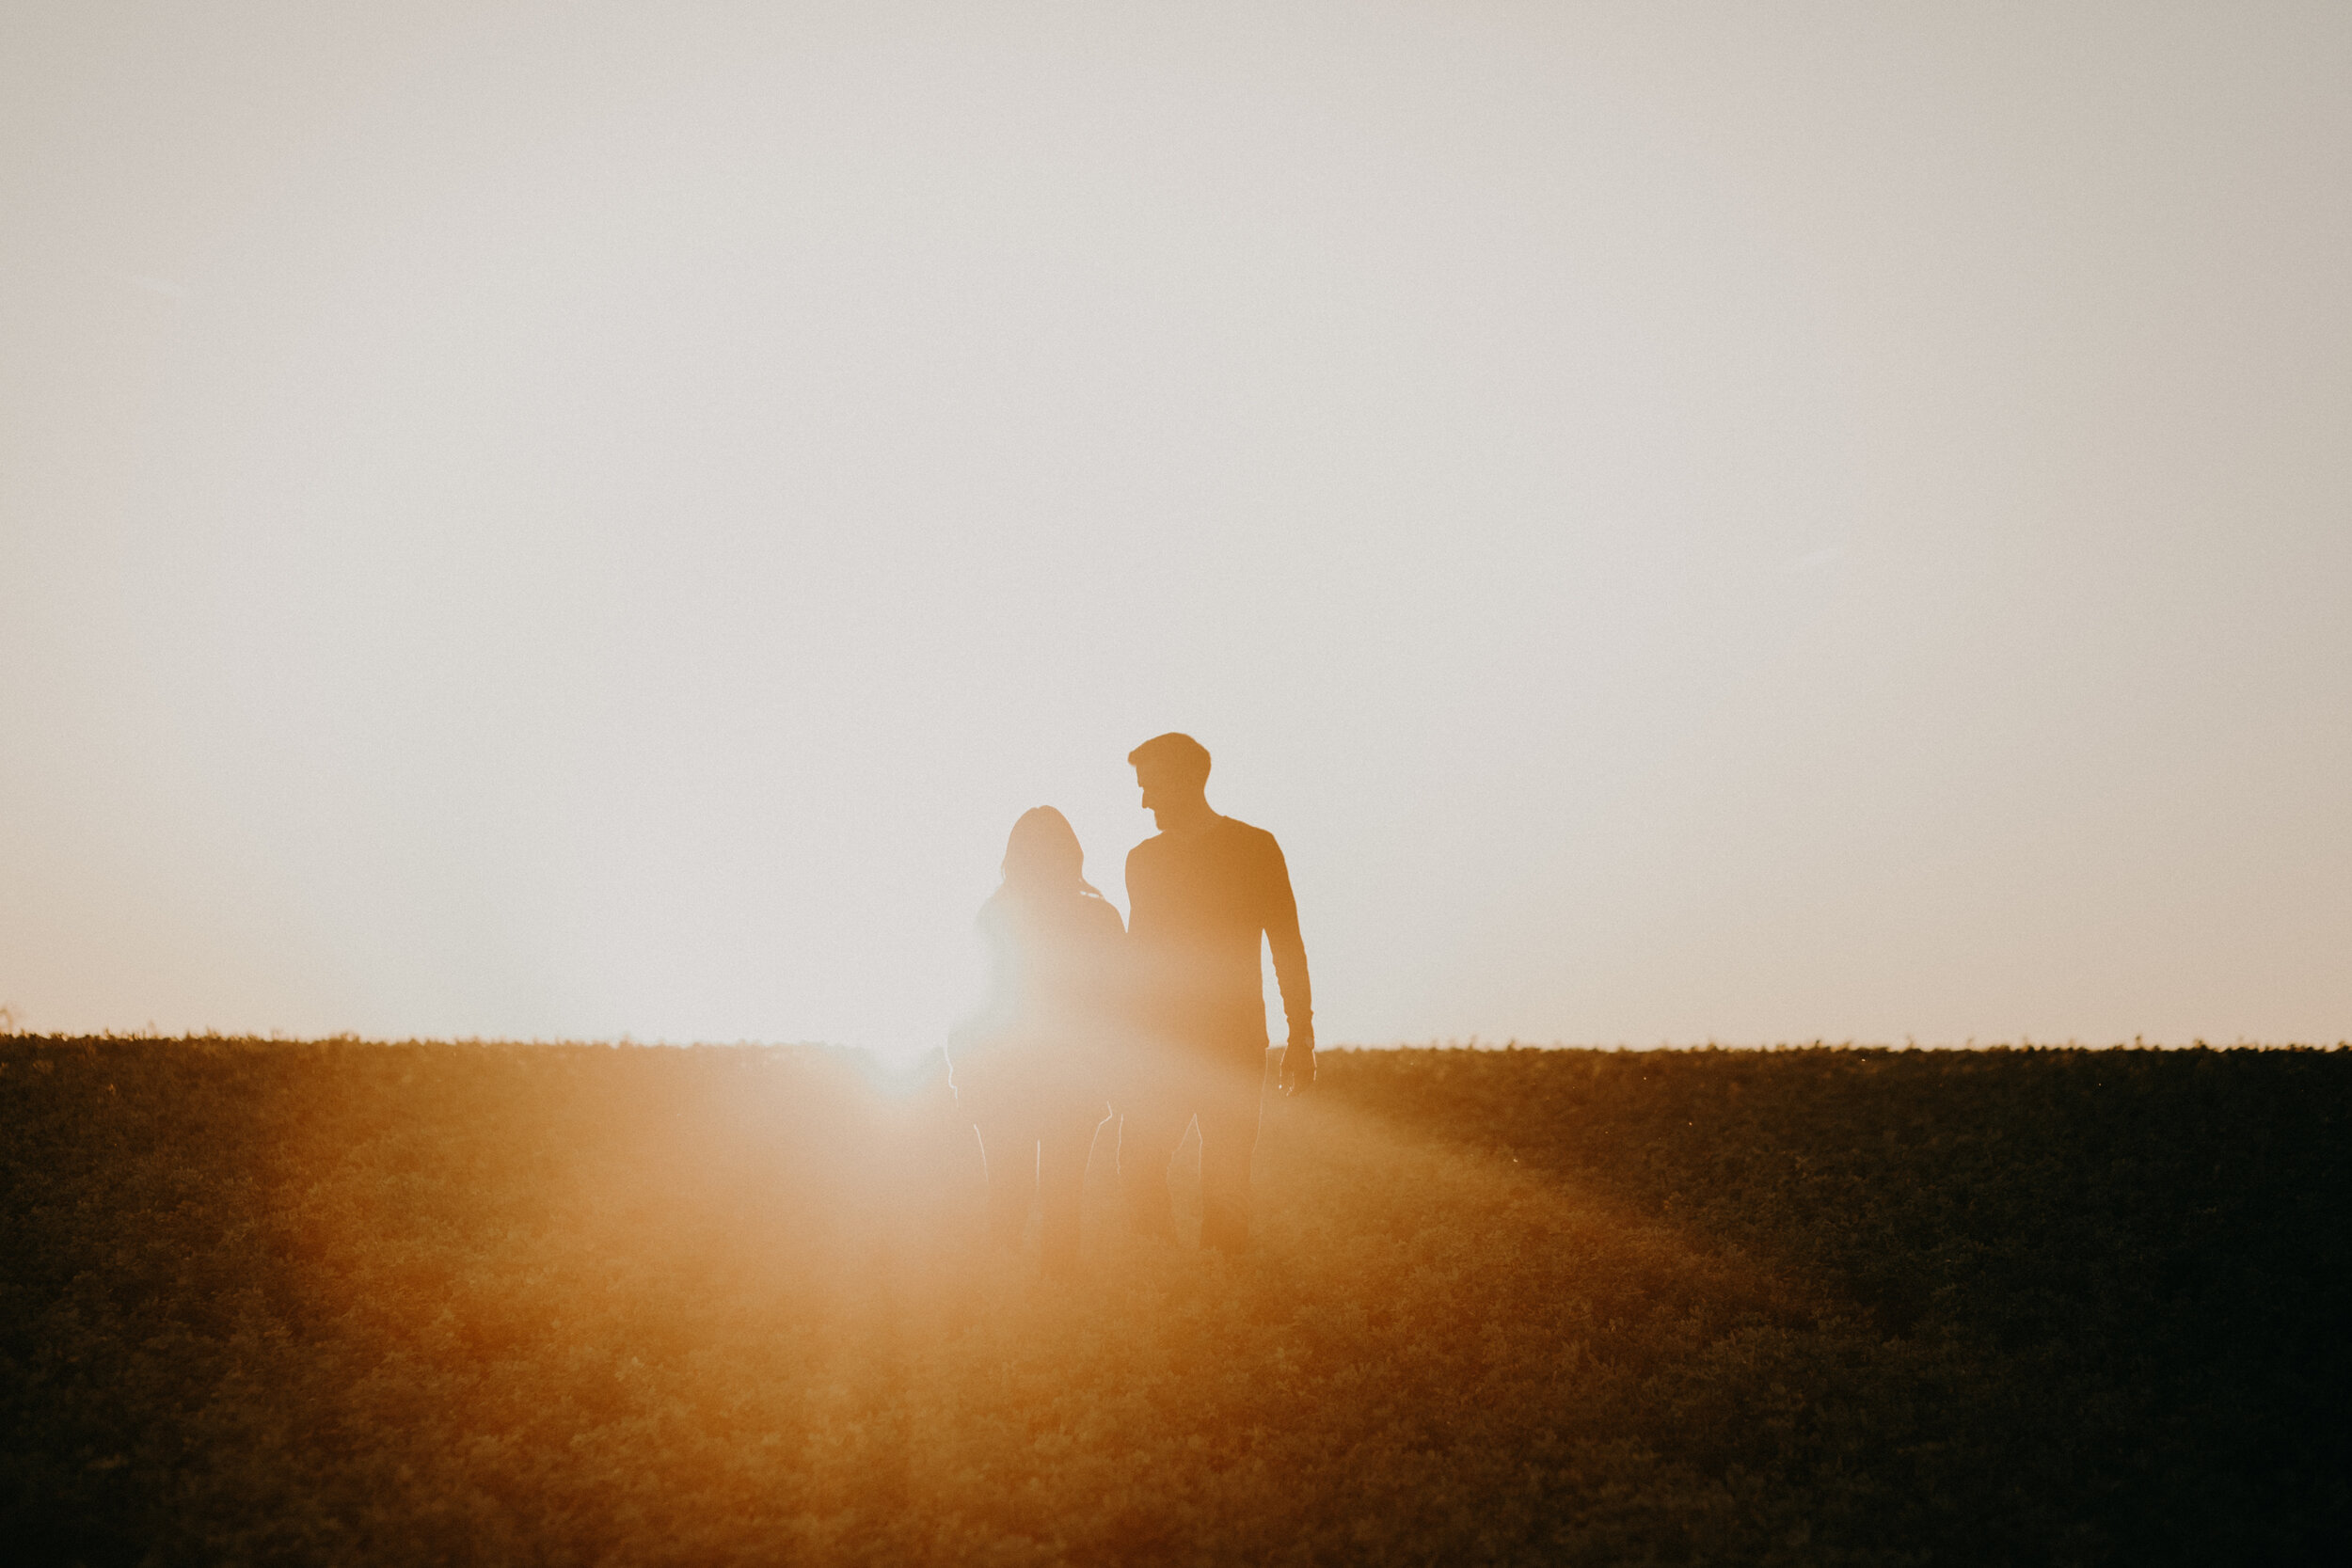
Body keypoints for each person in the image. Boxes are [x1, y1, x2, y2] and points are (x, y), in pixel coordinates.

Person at [1115, 733, 1313, 1254]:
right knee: (1137, 1166)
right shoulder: (1143, 860)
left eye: (1151, 785)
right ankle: (1166, 1289)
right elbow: (1140, 962)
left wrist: (1302, 1039)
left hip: (1234, 1043)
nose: (1143, 800)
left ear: (1186, 780)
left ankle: (1220, 1301)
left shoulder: (1256, 848)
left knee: (1226, 1179)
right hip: (1163, 1047)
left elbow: (1287, 947)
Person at [948, 806, 1126, 1276]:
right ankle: (1048, 1312)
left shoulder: (998, 915)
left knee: (1015, 1203)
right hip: (1046, 1081)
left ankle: (1016, 1317)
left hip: (1030, 1081)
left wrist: (965, 1078)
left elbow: (974, 1007)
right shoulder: (1097, 917)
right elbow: (1120, 1006)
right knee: (1054, 1204)